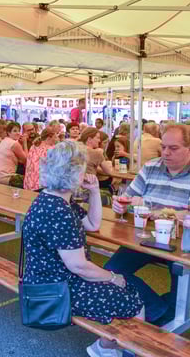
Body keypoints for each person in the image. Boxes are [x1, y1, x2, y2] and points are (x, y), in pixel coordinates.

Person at [22, 141, 144, 357]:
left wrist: (95, 191)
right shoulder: (60, 211)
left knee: (124, 288)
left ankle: (110, 347)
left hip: (43, 279)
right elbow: (79, 267)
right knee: (133, 300)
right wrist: (113, 277)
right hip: (57, 289)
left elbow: (92, 224)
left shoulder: (50, 199)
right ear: (76, 173)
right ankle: (105, 349)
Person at [107, 125, 190, 326]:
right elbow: (128, 197)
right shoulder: (150, 167)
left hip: (182, 240)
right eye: (163, 147)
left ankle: (152, 316)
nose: (165, 152)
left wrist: (151, 209)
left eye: (173, 148)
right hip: (147, 237)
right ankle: (158, 314)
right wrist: (120, 205)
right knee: (111, 271)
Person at [0, 122, 27, 188]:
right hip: (5, 177)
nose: (18, 133)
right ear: (9, 133)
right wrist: (25, 143)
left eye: (19, 131)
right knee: (30, 181)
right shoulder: (14, 144)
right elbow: (26, 160)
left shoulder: (4, 141)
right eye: (15, 131)